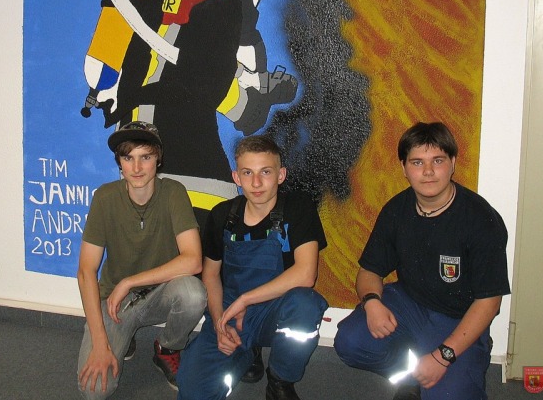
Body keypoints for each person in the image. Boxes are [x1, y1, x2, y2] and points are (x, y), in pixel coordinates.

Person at [334, 122, 510, 400]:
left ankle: (456, 362)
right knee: (351, 341)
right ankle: (410, 376)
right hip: (409, 302)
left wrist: (444, 356)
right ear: (404, 168)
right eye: (417, 162)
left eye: (437, 161)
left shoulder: (481, 220)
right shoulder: (396, 210)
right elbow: (369, 271)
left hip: (458, 317)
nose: (428, 171)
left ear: (452, 163)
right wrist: (372, 303)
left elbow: (489, 302)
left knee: (449, 395)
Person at [176, 135, 328, 400]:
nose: (256, 183)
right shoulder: (222, 215)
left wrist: (246, 300)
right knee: (192, 392)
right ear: (236, 177)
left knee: (306, 305)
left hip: (275, 310)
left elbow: (306, 274)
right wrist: (220, 322)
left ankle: (280, 380)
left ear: (281, 175)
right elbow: (210, 275)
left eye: (265, 172)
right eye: (247, 173)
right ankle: (246, 353)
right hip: (230, 311)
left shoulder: (298, 207)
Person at [76, 121, 207, 400]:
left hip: (161, 293)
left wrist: (129, 281)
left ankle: (167, 348)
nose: (136, 168)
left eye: (145, 157)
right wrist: (100, 343)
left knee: (193, 294)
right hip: (116, 304)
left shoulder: (173, 192)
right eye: (128, 158)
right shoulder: (105, 197)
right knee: (94, 391)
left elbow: (194, 260)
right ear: (119, 162)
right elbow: (86, 271)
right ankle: (124, 335)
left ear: (158, 159)